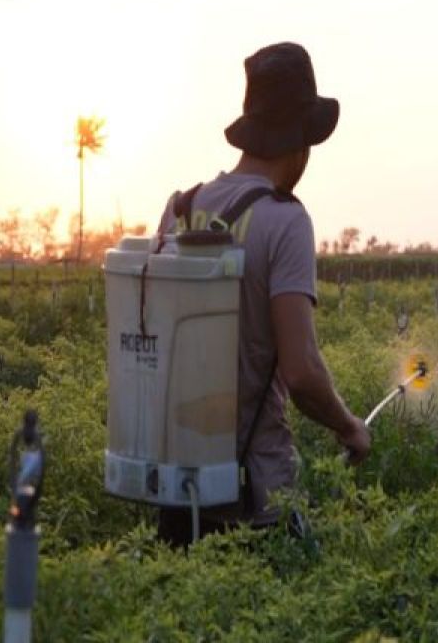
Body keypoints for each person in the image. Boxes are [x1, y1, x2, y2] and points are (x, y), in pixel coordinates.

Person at [154, 42, 370, 547]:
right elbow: (301, 371)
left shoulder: (180, 209)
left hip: (174, 489)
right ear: (302, 141)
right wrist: (349, 426)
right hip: (255, 499)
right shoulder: (285, 220)